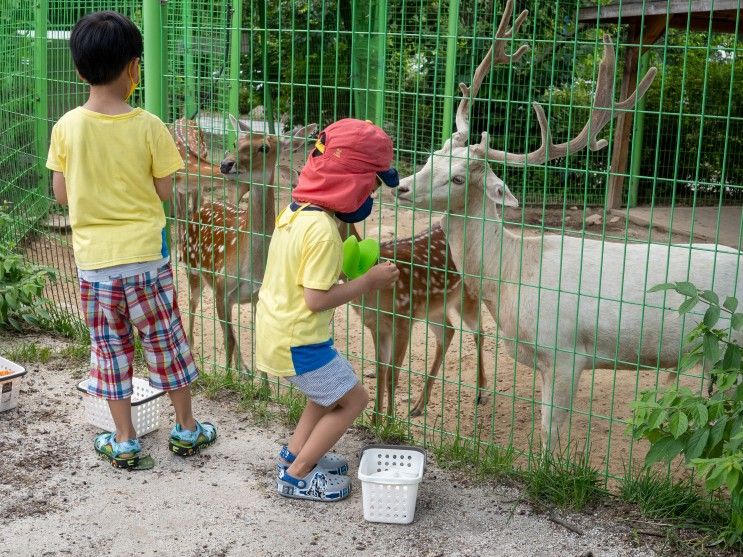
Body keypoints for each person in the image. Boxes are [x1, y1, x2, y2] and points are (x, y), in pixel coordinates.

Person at [46, 10, 216, 469]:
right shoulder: (150, 125)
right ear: (134, 68)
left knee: (111, 354)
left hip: (95, 267)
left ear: (80, 70)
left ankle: (123, 440)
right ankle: (186, 429)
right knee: (167, 345)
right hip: (146, 262)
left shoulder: (66, 127)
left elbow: (61, 194)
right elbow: (165, 191)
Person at [255, 118, 400, 501]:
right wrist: (367, 282)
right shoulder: (323, 231)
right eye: (371, 182)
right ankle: (298, 476)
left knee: (325, 394)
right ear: (350, 180)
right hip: (300, 340)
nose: (373, 191)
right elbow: (316, 299)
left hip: (279, 328)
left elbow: (300, 275)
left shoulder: (296, 212)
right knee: (353, 400)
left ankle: (295, 454)